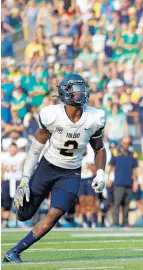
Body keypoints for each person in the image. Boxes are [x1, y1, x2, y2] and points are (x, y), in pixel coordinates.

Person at [3, 74, 107, 263]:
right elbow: (35, 149)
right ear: (65, 93)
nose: (80, 94)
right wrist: (25, 179)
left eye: (82, 90)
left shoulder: (94, 117)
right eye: (75, 91)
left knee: (55, 213)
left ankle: (14, 251)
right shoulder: (52, 115)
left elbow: (99, 148)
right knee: (23, 214)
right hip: (47, 167)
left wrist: (101, 172)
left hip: (71, 173)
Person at [107, 136, 138, 227]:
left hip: (129, 182)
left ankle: (125, 222)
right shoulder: (116, 153)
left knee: (126, 204)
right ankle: (115, 222)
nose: (126, 145)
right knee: (117, 203)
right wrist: (109, 178)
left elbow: (135, 169)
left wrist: (136, 182)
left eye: (128, 143)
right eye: (124, 143)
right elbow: (111, 167)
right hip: (118, 182)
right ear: (121, 143)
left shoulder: (133, 155)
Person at [1, 143, 26, 228]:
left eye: (13, 148)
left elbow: (25, 167)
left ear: (17, 149)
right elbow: (2, 170)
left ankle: (20, 221)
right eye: (11, 148)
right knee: (5, 203)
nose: (12, 150)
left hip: (17, 181)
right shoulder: (4, 156)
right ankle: (5, 221)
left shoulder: (21, 156)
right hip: (7, 181)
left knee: (19, 203)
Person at [78, 148, 97, 228]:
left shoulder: (90, 157)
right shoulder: (77, 157)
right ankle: (85, 220)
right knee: (82, 200)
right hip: (81, 179)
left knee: (91, 200)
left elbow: (95, 170)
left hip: (89, 179)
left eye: (84, 149)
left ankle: (94, 221)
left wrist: (89, 166)